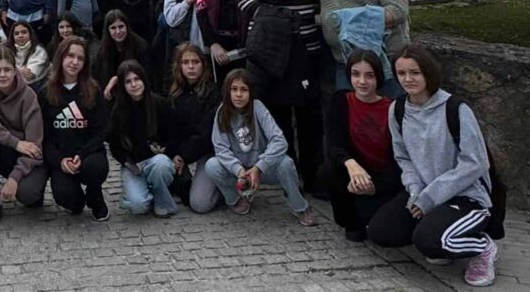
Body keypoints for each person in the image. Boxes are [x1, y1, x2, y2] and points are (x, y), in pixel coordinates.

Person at [367, 45, 499, 287]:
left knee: (431, 242)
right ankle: (439, 237)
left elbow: (475, 163)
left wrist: (429, 197)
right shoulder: (396, 109)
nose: (408, 79)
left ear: (428, 72)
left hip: (465, 196)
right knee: (381, 232)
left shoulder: (456, 109)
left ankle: (482, 248)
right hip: (423, 193)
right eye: (402, 73)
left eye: (415, 72)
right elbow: (403, 157)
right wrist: (417, 191)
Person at [238, 0, 323, 193]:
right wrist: (283, 18)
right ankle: (289, 177)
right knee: (280, 122)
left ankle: (313, 178)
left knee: (311, 121)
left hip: (308, 54)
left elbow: (318, 3)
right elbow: (246, 2)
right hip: (275, 57)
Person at [205, 69, 317, 226]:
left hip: (263, 168)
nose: (238, 94)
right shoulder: (222, 111)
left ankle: (299, 206)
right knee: (212, 165)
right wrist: (239, 171)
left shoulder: (258, 107)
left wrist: (259, 167)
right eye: (234, 89)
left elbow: (280, 141)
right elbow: (221, 148)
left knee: (286, 163)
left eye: (243, 90)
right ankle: (239, 198)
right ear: (227, 91)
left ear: (250, 92)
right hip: (241, 170)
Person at [320, 49, 401, 242]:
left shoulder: (393, 108)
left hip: (383, 176)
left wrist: (375, 186)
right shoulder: (341, 100)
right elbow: (334, 143)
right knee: (328, 170)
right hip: (354, 172)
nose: (362, 82)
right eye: (356, 74)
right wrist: (351, 164)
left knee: (383, 229)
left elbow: (400, 158)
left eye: (369, 76)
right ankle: (351, 222)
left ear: (378, 78)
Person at [0, 47, 48, 225]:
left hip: (29, 157)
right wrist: (15, 142)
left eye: (7, 69)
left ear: (15, 70)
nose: (2, 75)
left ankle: (30, 187)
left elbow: (35, 146)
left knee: (28, 195)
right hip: (9, 149)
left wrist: (14, 178)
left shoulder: (28, 96)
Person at [40, 37, 110, 220]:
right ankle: (78, 200)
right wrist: (60, 160)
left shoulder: (93, 90)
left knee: (95, 168)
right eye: (70, 56)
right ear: (61, 57)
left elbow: (101, 130)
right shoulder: (45, 92)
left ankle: (95, 195)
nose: (75, 62)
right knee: (66, 196)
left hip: (88, 155)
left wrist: (83, 154)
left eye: (80, 58)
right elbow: (44, 136)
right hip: (61, 158)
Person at [109, 61, 179, 217]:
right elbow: (114, 146)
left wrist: (165, 148)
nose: (134, 84)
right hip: (135, 165)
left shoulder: (160, 103)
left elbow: (174, 135)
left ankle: (163, 202)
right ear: (122, 85)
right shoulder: (118, 111)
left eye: (137, 79)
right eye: (128, 81)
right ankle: (136, 195)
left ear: (144, 80)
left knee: (160, 165)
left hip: (158, 161)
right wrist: (129, 163)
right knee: (138, 206)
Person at [167, 43, 222, 213]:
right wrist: (174, 153)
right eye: (185, 62)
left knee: (200, 204)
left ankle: (223, 187)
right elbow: (171, 128)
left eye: (195, 62)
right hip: (182, 152)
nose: (191, 67)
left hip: (207, 152)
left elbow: (205, 133)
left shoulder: (213, 93)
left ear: (203, 64)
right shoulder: (174, 92)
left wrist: (183, 155)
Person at [93, 10, 149, 98]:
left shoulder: (140, 45)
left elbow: (145, 75)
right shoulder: (102, 50)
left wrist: (116, 79)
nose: (118, 31)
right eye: (113, 28)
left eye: (121, 26)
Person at [6, 20, 49, 89]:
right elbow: (4, 72)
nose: (20, 35)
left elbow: (29, 78)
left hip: (35, 88)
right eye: (16, 33)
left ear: (30, 34)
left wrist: (13, 70)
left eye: (24, 32)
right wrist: (20, 70)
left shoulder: (39, 51)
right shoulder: (7, 51)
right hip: (11, 86)